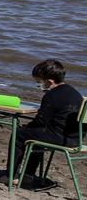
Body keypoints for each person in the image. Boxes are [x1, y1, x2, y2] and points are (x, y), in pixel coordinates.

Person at [11, 59, 84, 187]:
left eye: (39, 82)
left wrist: (27, 126)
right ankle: (28, 175)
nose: (39, 86)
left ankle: (11, 175)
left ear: (49, 82)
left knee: (19, 134)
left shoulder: (51, 96)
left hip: (59, 138)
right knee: (35, 134)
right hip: (76, 139)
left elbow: (40, 121)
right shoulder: (76, 94)